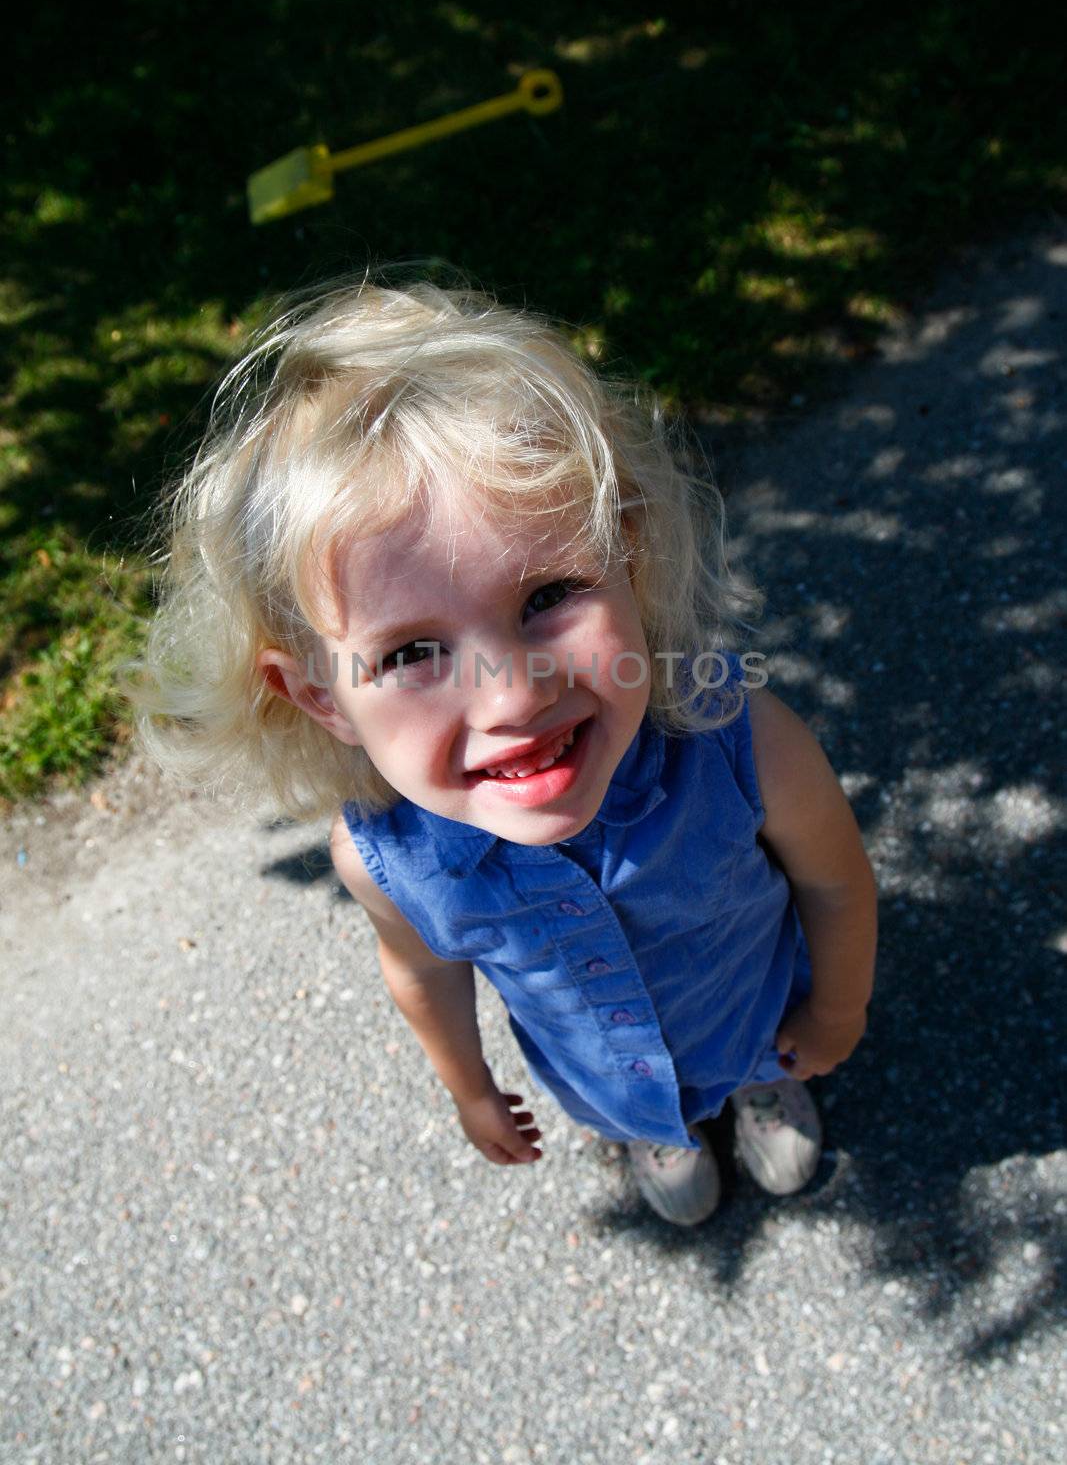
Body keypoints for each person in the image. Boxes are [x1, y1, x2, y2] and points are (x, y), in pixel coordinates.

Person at [130, 274, 877, 1227]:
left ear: (629, 557)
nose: (513, 691)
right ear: (320, 696)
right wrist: (468, 1086)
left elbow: (836, 883)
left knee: (759, 1056)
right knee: (638, 1105)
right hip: (597, 1073)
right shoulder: (382, 861)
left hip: (756, 1016)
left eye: (548, 596)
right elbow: (422, 972)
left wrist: (833, 1014)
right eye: (410, 652)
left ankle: (753, 1090)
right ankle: (657, 1126)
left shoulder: (739, 739)